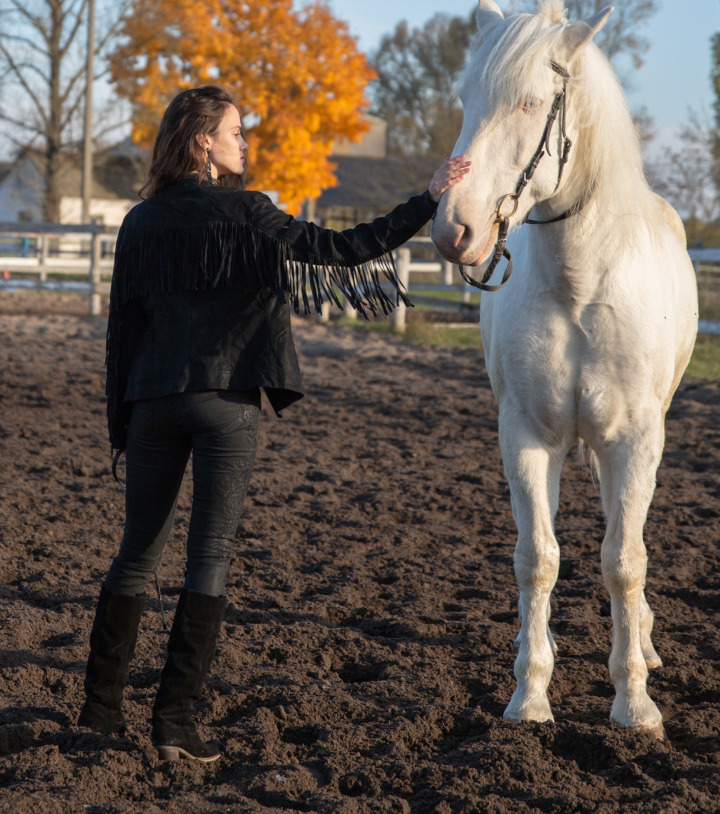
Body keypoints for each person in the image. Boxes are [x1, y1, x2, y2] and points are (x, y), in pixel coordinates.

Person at [78, 85, 470, 762]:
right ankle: (173, 726)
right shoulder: (251, 213)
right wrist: (428, 199)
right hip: (226, 402)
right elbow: (348, 251)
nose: (244, 142)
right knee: (209, 559)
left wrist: (121, 423)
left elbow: (123, 332)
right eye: (235, 130)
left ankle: (99, 711)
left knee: (135, 554)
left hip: (153, 399)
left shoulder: (141, 222)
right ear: (202, 140)